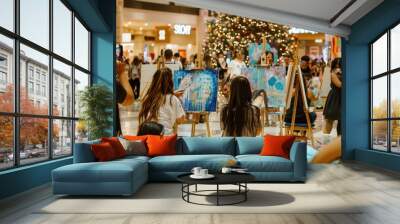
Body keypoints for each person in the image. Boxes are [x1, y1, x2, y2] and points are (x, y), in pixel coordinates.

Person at [139, 67, 185, 135]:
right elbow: (181, 119)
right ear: (170, 82)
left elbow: (161, 99)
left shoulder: (149, 98)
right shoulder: (173, 99)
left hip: (149, 136)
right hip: (165, 138)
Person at [284, 55, 317, 125]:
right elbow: (315, 99)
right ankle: (302, 132)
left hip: (287, 118)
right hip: (302, 118)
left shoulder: (290, 91)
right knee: (313, 114)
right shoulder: (308, 92)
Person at [323, 57, 342, 135]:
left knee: (342, 120)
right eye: (336, 66)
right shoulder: (333, 74)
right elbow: (340, 85)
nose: (338, 68)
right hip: (334, 98)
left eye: (339, 65)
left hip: (342, 97)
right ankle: (325, 141)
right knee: (329, 120)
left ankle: (340, 141)